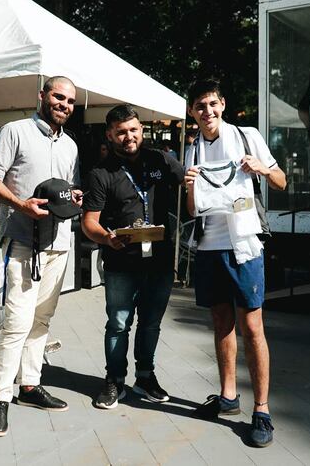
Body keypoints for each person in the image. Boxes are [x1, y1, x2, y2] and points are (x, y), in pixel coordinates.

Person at [184, 79, 286, 448]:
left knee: (252, 326)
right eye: (200, 106)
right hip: (209, 246)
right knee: (220, 322)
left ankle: (262, 410)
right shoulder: (191, 149)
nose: (207, 111)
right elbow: (192, 210)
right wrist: (189, 187)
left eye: (212, 103)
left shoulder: (247, 136)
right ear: (192, 112)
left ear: (222, 104)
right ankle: (228, 396)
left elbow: (281, 181)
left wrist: (262, 168)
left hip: (244, 245)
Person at [0, 76, 82, 437]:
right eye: (58, 97)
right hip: (24, 242)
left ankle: (29, 385)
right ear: (42, 96)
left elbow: (69, 190)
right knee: (17, 322)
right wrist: (20, 204)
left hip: (59, 243)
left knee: (42, 319)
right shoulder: (15, 131)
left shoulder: (70, 145)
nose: (64, 105)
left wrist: (75, 197)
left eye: (70, 101)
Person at [81, 104, 184, 409]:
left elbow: (190, 181)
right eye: (121, 132)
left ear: (142, 129)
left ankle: (145, 377)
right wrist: (106, 238)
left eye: (133, 130)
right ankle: (114, 380)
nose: (129, 136)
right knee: (118, 324)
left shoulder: (160, 160)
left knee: (151, 323)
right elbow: (89, 222)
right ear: (110, 135)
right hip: (121, 262)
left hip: (160, 259)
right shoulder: (100, 173)